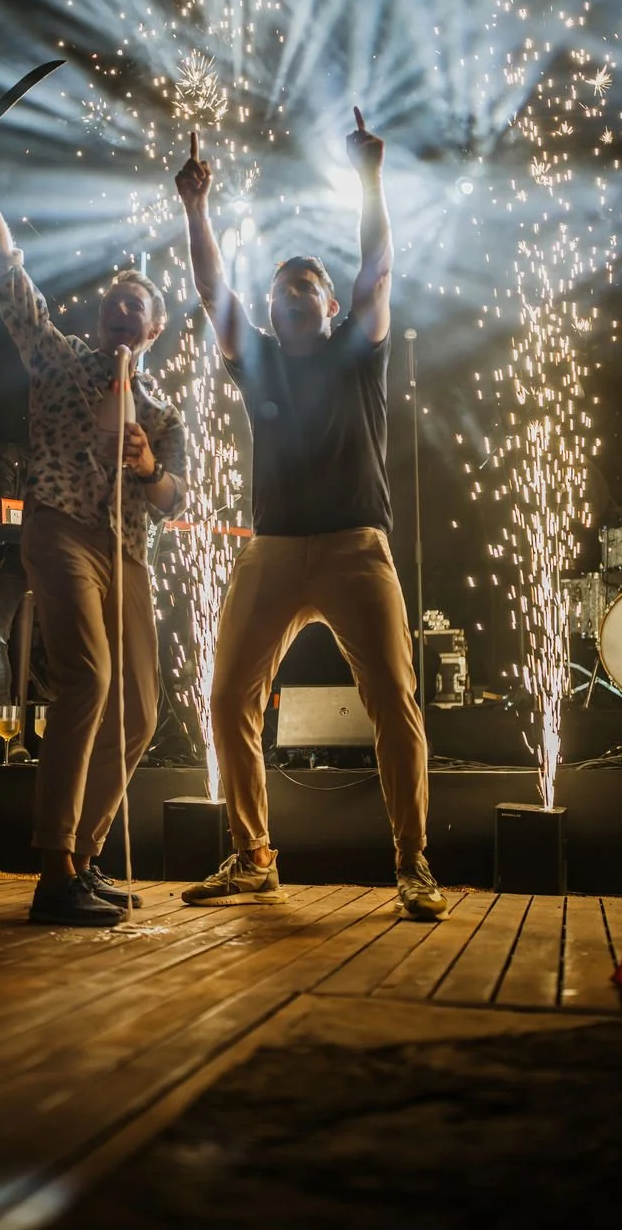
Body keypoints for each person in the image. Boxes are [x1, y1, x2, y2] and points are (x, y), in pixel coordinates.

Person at [174, 112, 447, 920]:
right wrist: (195, 208)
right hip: (273, 550)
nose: (290, 295)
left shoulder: (356, 350)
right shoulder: (253, 354)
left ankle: (411, 861)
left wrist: (369, 177)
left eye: (305, 287)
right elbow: (209, 290)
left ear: (329, 308)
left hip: (356, 547)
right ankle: (254, 856)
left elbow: (379, 266)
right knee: (227, 699)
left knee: (393, 699)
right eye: (280, 289)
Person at [0, 118, 189, 926]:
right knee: (87, 679)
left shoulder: (158, 412)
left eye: (136, 308)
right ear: (102, 318)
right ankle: (52, 868)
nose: (121, 313)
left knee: (142, 710)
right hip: (58, 530)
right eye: (113, 304)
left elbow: (175, 500)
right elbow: (5, 271)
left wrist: (147, 468)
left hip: (125, 550)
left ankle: (83, 861)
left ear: (153, 329)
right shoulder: (55, 359)